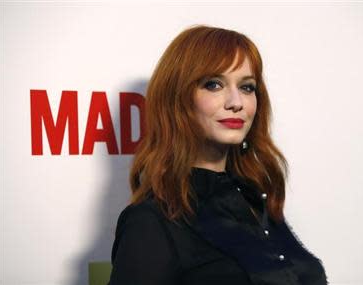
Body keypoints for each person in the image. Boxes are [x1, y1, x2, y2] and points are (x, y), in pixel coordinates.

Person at [108, 24, 327, 285]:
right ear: (178, 99)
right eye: (214, 85)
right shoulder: (151, 221)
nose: (236, 102)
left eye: (247, 87)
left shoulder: (254, 201)